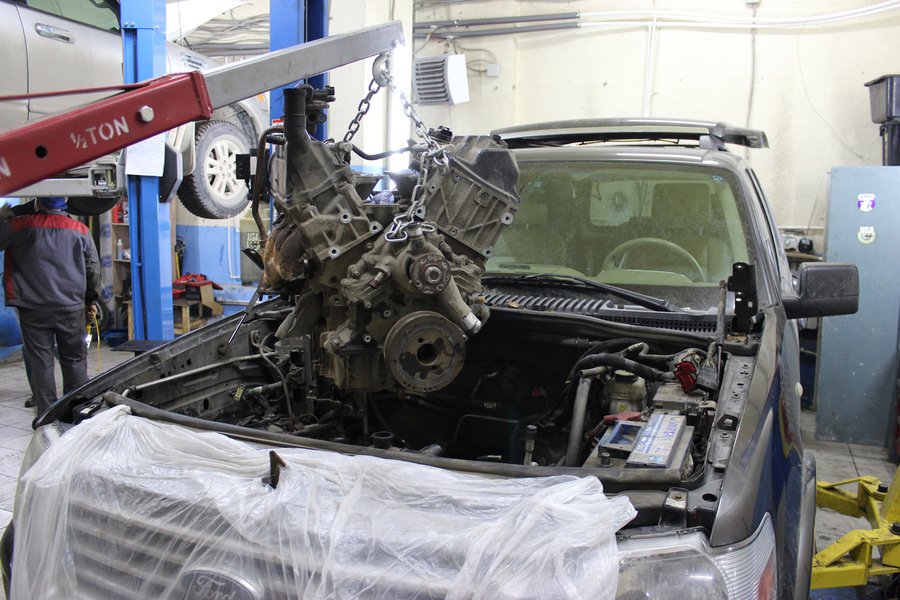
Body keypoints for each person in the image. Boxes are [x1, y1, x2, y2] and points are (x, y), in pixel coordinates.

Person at [0, 197, 100, 414]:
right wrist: (90, 301)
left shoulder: (18, 225)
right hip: (71, 307)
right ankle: (75, 412)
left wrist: (2, 217)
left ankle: (47, 415)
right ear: (63, 201)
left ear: (38, 200)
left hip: (32, 308)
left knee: (41, 362)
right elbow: (92, 268)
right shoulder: (80, 229)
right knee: (74, 360)